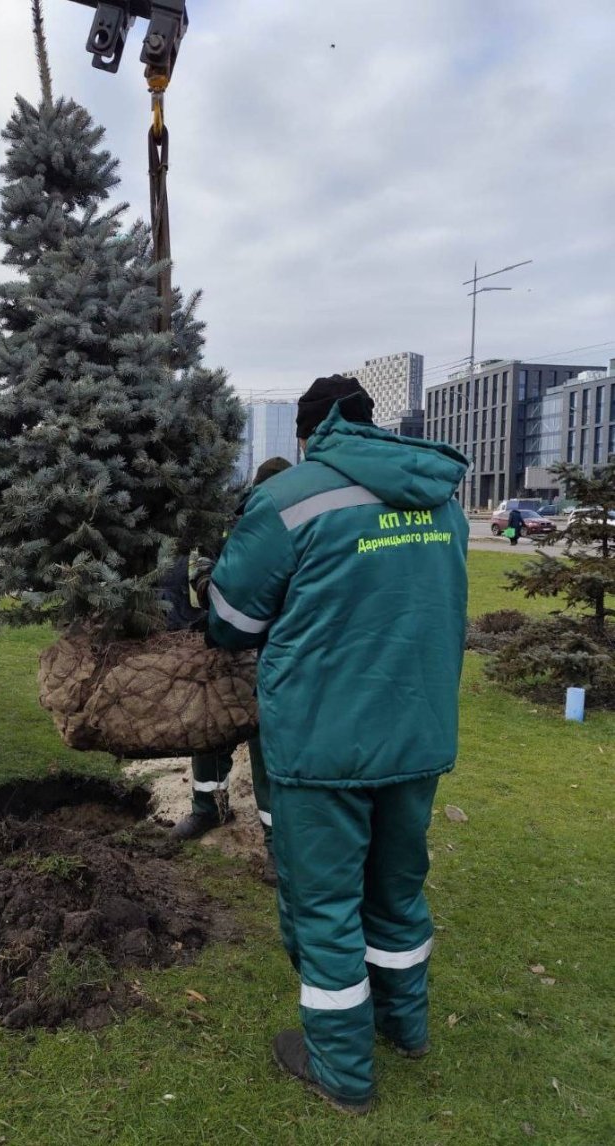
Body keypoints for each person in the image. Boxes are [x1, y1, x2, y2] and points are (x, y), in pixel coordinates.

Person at [206, 375, 468, 1115]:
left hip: (323, 745)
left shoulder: (293, 498)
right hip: (417, 732)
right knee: (396, 891)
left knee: (324, 908)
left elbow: (230, 621)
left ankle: (342, 1069)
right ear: (367, 421)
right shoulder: (440, 496)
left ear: (306, 432)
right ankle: (405, 1025)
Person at [168, 457, 293, 888]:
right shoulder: (233, 518)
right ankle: (208, 809)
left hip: (274, 651)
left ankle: (279, 844)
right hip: (225, 642)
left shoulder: (294, 522)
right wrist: (208, 582)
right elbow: (204, 566)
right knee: (209, 727)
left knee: (267, 745)